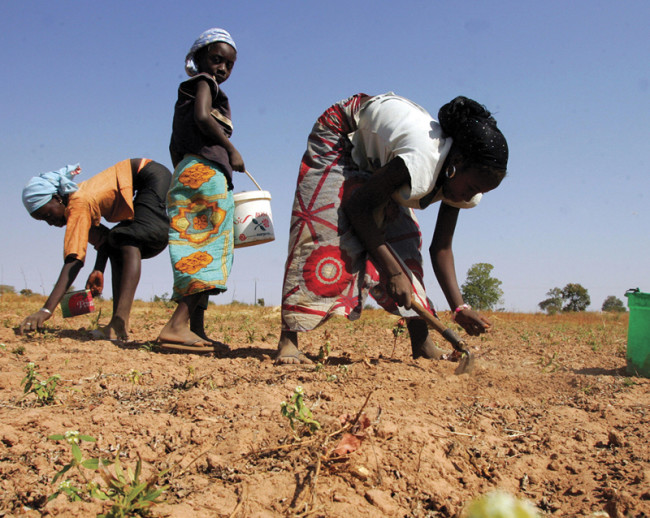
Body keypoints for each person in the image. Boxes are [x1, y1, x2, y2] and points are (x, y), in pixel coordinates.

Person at [277, 93, 508, 364]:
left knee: (405, 244)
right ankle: (288, 341)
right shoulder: (422, 160)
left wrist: (459, 307)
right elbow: (358, 208)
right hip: (343, 136)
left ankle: (422, 345)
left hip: (383, 166)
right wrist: (392, 272)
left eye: (479, 192)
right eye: (471, 188)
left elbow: (442, 248)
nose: (471, 197)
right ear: (455, 164)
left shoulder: (461, 182)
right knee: (323, 231)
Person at [156, 27, 245, 353]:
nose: (221, 68)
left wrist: (185, 170)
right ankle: (177, 325)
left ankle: (195, 327)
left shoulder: (186, 91)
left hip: (189, 172)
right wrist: (229, 150)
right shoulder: (204, 83)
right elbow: (204, 116)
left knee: (195, 246)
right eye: (216, 59)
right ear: (199, 58)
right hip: (206, 176)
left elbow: (173, 143)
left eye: (228, 64)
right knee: (207, 246)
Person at [19, 159, 172, 341]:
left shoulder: (78, 204)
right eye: (44, 221)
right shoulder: (77, 210)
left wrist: (46, 310)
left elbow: (73, 260)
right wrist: (99, 269)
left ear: (57, 198)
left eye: (48, 215)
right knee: (118, 240)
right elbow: (106, 241)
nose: (50, 223)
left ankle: (119, 323)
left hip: (150, 174)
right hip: (143, 180)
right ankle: (119, 325)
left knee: (129, 238)